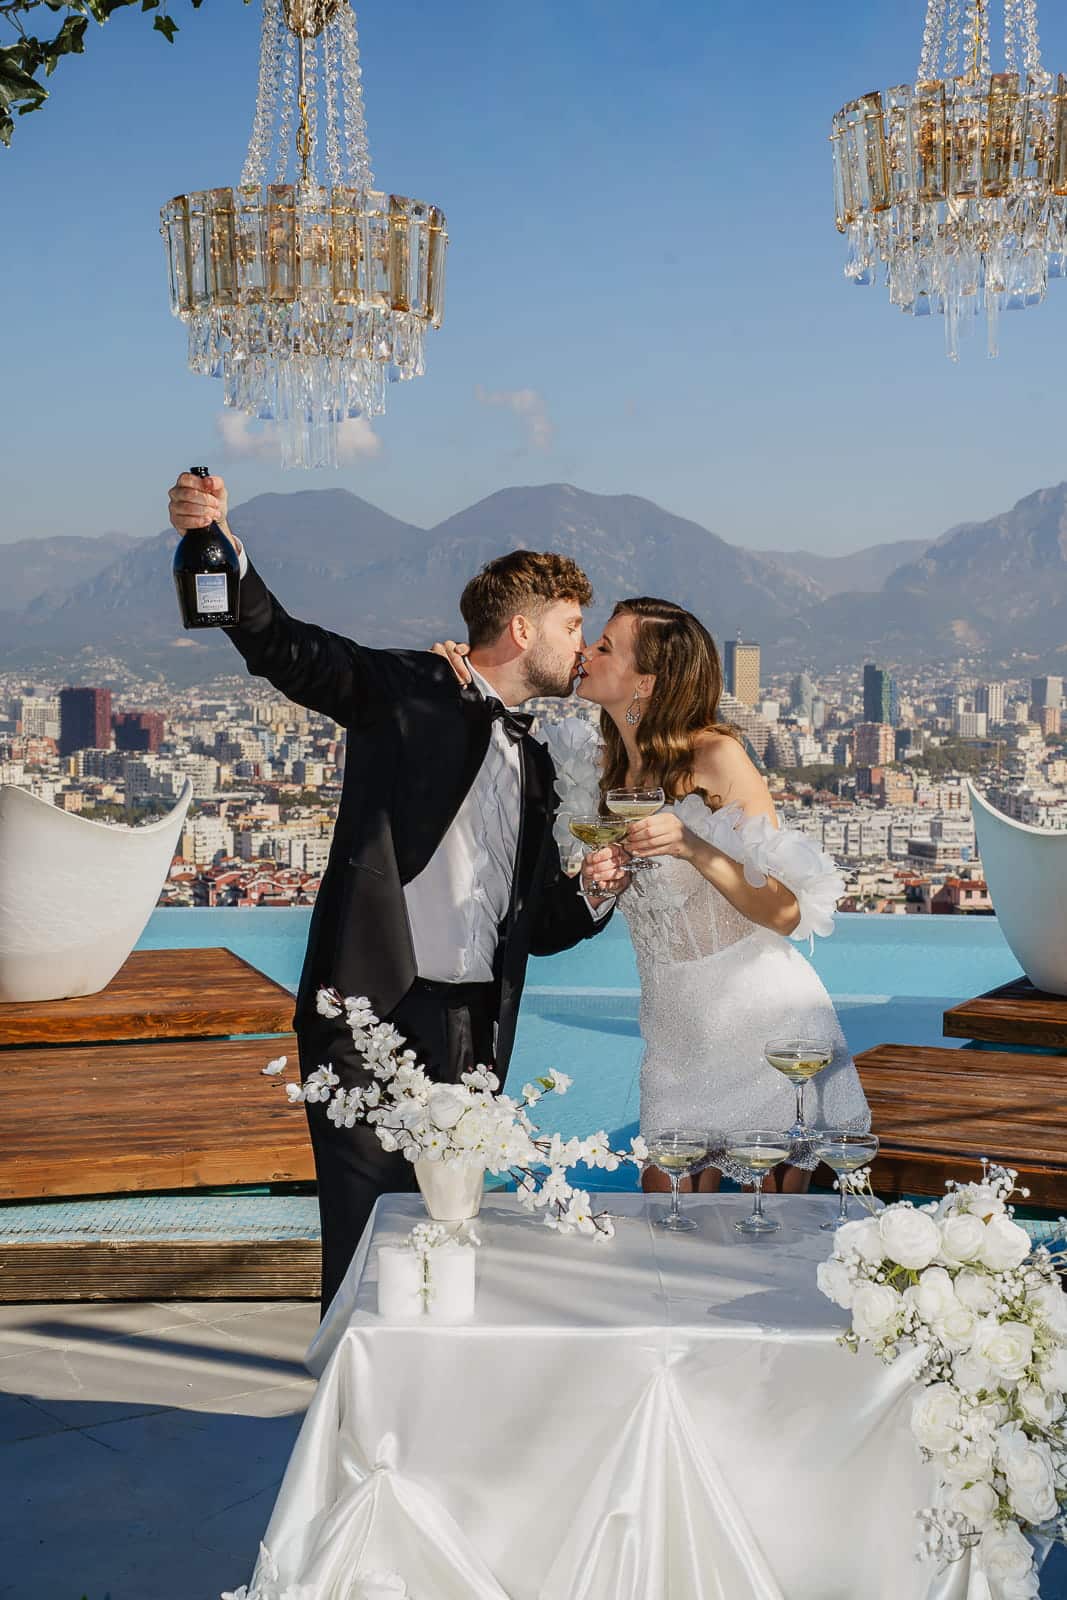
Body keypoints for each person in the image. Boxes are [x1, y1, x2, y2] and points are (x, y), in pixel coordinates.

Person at [166, 472, 624, 1313]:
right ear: (522, 630)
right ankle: (347, 1391)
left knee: (450, 1236)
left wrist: (593, 892)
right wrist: (219, 550)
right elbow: (290, 650)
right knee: (365, 1241)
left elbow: (535, 927)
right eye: (571, 627)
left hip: (473, 1026)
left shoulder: (537, 762)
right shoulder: (408, 688)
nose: (581, 646)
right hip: (370, 1014)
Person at [435, 597, 869, 1195]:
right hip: (673, 1037)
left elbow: (787, 910)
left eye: (605, 647)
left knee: (766, 1227)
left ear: (646, 681)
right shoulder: (595, 766)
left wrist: (692, 846)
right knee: (666, 1219)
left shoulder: (716, 756)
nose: (586, 651)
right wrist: (453, 676)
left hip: (761, 1027)